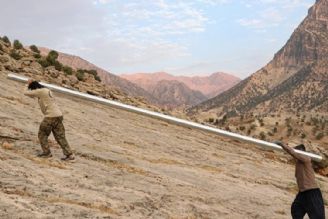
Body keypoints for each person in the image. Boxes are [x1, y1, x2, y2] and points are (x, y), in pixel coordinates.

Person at [24, 79, 75, 161]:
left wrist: (27, 84)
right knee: (60, 137)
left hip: (50, 116)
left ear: (34, 88)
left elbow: (26, 93)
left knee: (42, 134)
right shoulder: (47, 90)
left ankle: (46, 153)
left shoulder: (40, 91)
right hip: (58, 115)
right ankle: (70, 155)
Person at [274, 141, 325, 219]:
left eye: (297, 152)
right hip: (302, 193)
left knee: (317, 217)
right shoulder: (299, 163)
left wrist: (282, 144)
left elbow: (293, 153)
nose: (295, 156)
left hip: (312, 192)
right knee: (295, 210)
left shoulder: (306, 158)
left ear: (301, 152)